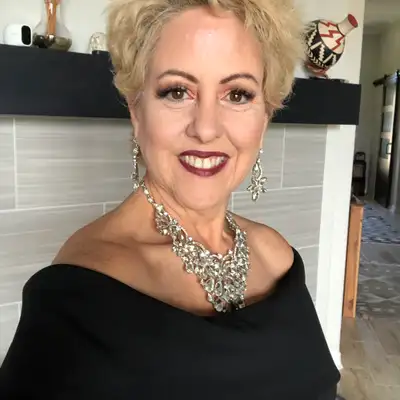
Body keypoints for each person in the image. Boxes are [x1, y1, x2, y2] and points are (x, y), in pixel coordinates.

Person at [0, 0, 341, 399]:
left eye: (237, 94)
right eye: (177, 91)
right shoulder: (78, 296)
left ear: (265, 117)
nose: (206, 129)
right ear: (136, 110)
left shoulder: (279, 258)